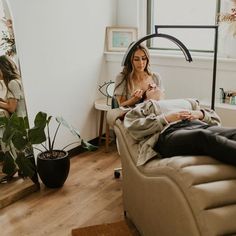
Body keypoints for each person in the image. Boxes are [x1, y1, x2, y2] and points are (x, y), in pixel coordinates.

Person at [123, 86, 236, 167]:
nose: (153, 85)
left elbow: (215, 119)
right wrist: (167, 118)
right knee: (202, 137)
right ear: (145, 96)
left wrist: (199, 114)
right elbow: (133, 126)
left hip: (197, 124)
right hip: (169, 134)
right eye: (149, 88)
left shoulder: (183, 102)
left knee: (233, 132)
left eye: (155, 85)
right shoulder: (143, 107)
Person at [114, 43, 164, 107]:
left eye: (144, 58)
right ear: (130, 60)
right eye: (136, 59)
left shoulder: (156, 77)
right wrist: (134, 99)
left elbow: (161, 102)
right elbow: (121, 105)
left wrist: (156, 94)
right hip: (132, 115)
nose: (141, 63)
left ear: (147, 59)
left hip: (153, 114)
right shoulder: (122, 78)